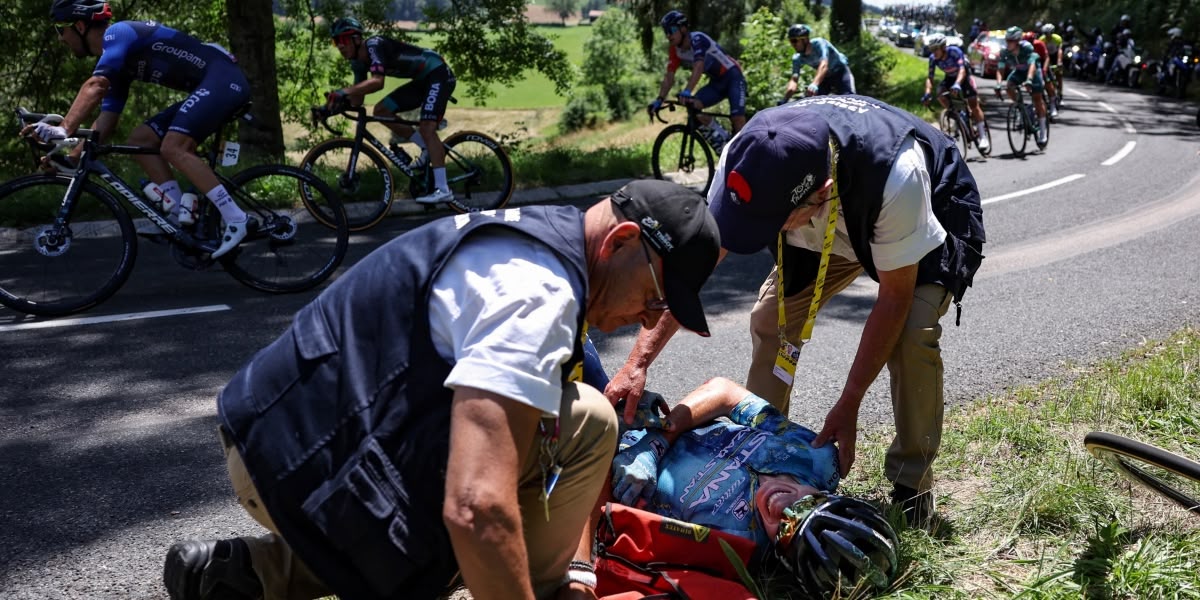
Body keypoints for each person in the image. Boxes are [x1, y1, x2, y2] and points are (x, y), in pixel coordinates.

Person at [161, 179, 723, 600]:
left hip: (293, 428)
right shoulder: (538, 294)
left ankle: (255, 574)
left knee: (586, 420)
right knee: (479, 520)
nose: (648, 320)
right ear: (622, 241)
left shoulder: (549, 237)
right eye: (654, 298)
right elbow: (477, 507)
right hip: (296, 460)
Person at [606, 96, 986, 528]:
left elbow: (894, 298)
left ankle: (912, 486)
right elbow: (693, 270)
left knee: (912, 334)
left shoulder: (897, 174)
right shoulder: (746, 157)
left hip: (921, 213)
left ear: (819, 194)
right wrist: (637, 363)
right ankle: (757, 448)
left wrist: (849, 403)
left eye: (768, 222)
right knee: (771, 319)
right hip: (827, 226)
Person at [595, 376, 900, 597]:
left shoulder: (730, 545)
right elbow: (723, 391)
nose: (782, 509)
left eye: (786, 531)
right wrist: (656, 442)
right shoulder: (816, 456)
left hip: (592, 453)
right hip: (645, 421)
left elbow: (611, 520)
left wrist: (608, 449)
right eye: (805, 507)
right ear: (827, 495)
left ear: (783, 558)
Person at [27, 0, 252, 258]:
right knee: (142, 140)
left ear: (79, 25)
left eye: (60, 30)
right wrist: (71, 159)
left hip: (223, 80)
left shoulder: (118, 33)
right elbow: (107, 120)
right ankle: (181, 218)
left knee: (173, 146)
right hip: (213, 85)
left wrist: (64, 128)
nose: (60, 39)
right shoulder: (118, 64)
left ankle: (237, 218)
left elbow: (96, 85)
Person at [326, 17, 457, 206]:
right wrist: (331, 107)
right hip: (422, 80)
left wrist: (342, 92)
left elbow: (378, 82)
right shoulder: (358, 63)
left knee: (427, 127)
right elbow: (357, 100)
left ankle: (444, 190)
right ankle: (426, 147)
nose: (339, 46)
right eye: (335, 41)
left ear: (356, 39)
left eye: (343, 40)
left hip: (437, 73)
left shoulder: (373, 45)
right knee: (382, 111)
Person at [648, 10, 747, 152]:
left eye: (671, 30)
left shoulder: (697, 39)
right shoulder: (675, 50)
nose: (668, 34)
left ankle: (748, 155)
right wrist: (659, 99)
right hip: (717, 83)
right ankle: (723, 137)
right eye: (666, 31)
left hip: (734, 77)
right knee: (694, 107)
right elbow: (669, 76)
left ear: (683, 28)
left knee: (737, 118)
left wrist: (688, 90)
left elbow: (699, 66)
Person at [922, 32, 991, 152]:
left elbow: (962, 70)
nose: (933, 52)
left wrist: (957, 84)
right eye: (931, 49)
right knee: (940, 94)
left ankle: (983, 137)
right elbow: (930, 77)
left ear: (943, 47)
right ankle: (957, 113)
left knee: (974, 105)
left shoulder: (954, 51)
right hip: (950, 78)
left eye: (935, 49)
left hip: (964, 77)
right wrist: (927, 93)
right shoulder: (933, 58)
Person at [996, 26, 1049, 145]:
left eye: (1011, 41)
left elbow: (1032, 65)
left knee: (1037, 99)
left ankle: (1042, 130)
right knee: (1009, 86)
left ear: (1018, 41)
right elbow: (1000, 69)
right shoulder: (1004, 51)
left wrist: (1029, 80)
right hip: (1019, 72)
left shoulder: (1027, 48)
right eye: (1007, 40)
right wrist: (998, 84)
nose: (1008, 43)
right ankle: (1021, 107)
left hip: (1033, 72)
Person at [781, 24, 856, 103]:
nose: (793, 45)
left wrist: (814, 84)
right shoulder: (797, 58)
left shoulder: (819, 43)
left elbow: (824, 65)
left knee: (850, 101)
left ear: (805, 39)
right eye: (791, 41)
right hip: (825, 78)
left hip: (841, 72)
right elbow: (794, 80)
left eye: (795, 41)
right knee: (812, 102)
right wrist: (785, 100)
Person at [1023, 30, 1059, 118]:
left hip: (1042, 63)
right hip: (1031, 64)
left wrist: (1044, 69)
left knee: (1048, 82)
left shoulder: (1039, 44)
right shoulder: (1023, 47)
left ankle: (1053, 105)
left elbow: (1046, 58)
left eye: (1031, 42)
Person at [1039, 24, 1065, 105]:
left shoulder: (1057, 38)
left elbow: (1060, 51)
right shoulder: (1041, 39)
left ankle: (1060, 94)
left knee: (1059, 74)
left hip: (1055, 56)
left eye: (1048, 33)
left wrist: (1059, 62)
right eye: (1045, 33)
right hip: (1046, 56)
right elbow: (1041, 53)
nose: (1046, 35)